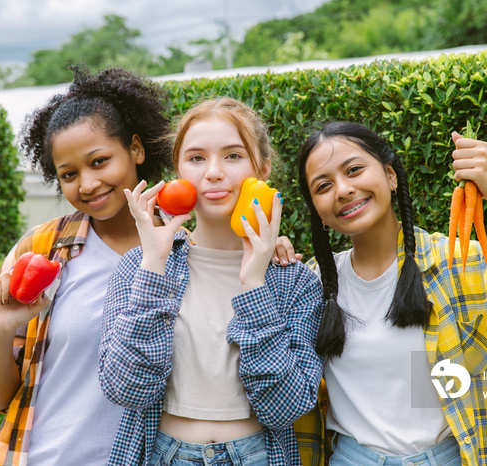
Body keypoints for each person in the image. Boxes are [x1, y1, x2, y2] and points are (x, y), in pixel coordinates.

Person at [295, 122, 487, 466]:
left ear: (390, 176)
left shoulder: (458, 266)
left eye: (354, 170)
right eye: (323, 186)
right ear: (317, 210)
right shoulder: (309, 285)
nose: (343, 189)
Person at [98, 97, 325, 465]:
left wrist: (253, 285)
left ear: (262, 169)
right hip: (162, 454)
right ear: (178, 171)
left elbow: (286, 407)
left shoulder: (294, 282)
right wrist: (154, 266)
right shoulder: (139, 267)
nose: (214, 172)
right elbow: (125, 388)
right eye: (197, 158)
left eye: (233, 156)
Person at [0, 66, 173, 465]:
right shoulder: (40, 251)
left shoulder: (184, 252)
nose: (86, 184)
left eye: (99, 161)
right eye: (69, 174)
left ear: (135, 148)